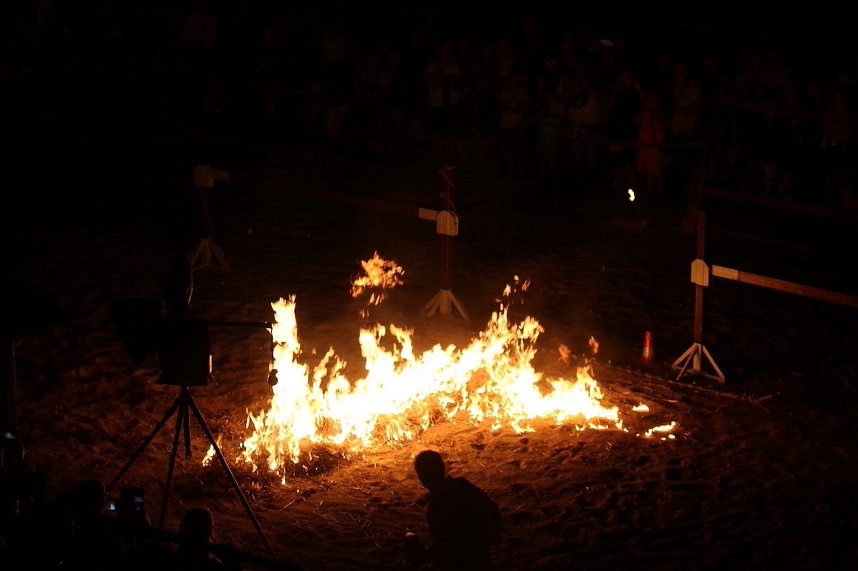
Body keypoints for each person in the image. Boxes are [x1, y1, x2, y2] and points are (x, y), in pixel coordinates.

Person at [406, 450, 502, 570]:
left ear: (422, 478)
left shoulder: (435, 509)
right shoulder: (463, 485)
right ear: (443, 469)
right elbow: (493, 513)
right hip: (481, 554)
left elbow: (446, 550)